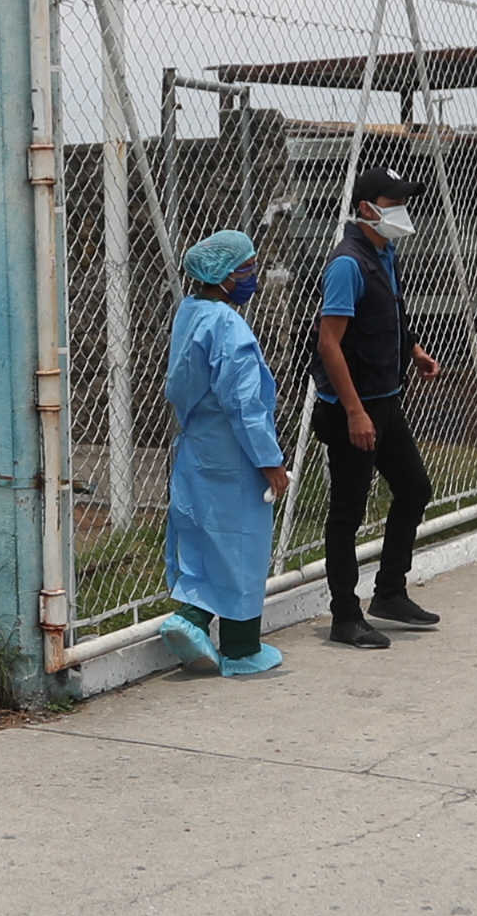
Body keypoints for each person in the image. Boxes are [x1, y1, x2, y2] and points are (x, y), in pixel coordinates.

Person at [311, 167, 447, 649]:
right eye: (394, 202)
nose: (403, 211)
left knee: (414, 489)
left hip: (386, 403)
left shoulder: (383, 253)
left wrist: (413, 351)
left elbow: (387, 314)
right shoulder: (347, 263)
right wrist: (354, 412)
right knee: (347, 512)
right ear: (367, 209)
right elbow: (330, 343)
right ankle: (344, 616)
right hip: (354, 410)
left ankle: (388, 592)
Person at [152, 230, 293, 677]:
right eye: (246, 269)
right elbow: (245, 403)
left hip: (198, 446)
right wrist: (271, 462)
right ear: (225, 277)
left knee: (200, 537)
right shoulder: (229, 325)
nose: (252, 276)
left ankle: (189, 617)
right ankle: (240, 647)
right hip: (235, 454)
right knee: (243, 546)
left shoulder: (189, 313)